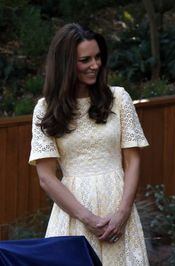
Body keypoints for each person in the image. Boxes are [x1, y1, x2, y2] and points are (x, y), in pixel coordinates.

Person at [28, 23, 149, 265]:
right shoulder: (45, 109)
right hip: (73, 216)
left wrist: (123, 213)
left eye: (97, 57)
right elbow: (46, 177)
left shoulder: (119, 98)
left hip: (119, 209)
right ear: (65, 64)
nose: (95, 65)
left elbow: (133, 160)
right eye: (86, 60)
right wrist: (88, 218)